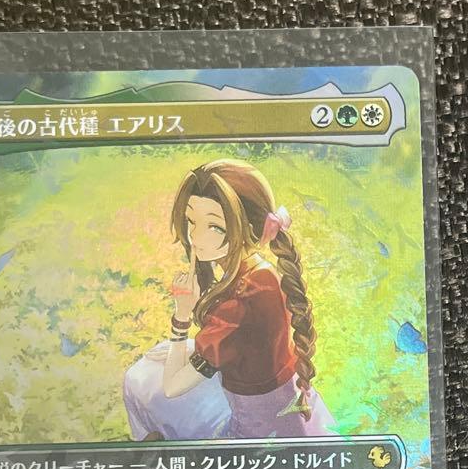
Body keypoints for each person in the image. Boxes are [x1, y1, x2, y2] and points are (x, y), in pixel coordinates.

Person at [124, 158, 334, 440]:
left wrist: (181, 317)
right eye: (191, 221)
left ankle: (151, 449)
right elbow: (250, 345)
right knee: (161, 358)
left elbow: (173, 387)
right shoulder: (262, 272)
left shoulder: (239, 302)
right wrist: (192, 348)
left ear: (247, 227)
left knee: (139, 381)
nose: (195, 237)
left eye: (215, 227)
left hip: (258, 433)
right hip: (290, 410)